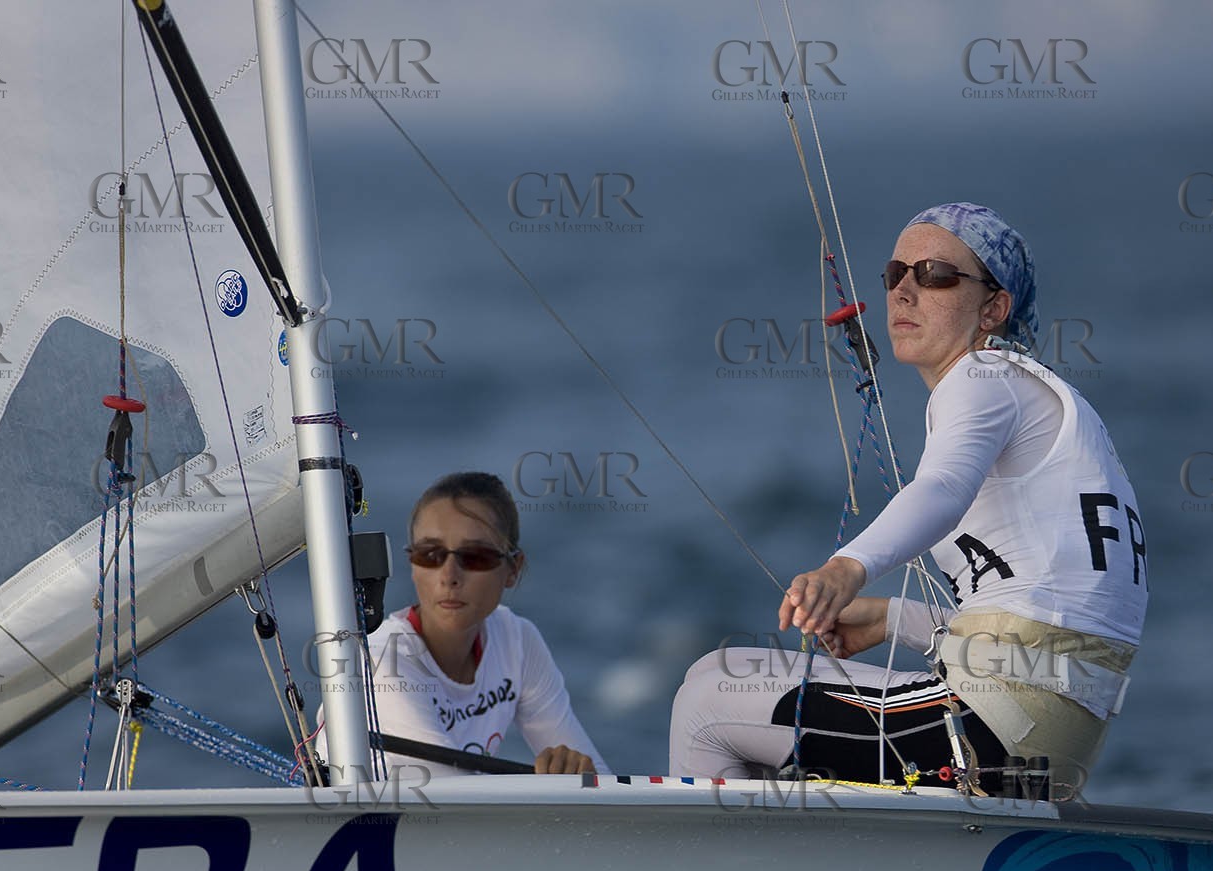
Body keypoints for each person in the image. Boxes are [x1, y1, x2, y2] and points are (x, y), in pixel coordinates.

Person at [670, 203, 1146, 793]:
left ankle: (729, 854)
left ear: (993, 309)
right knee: (717, 671)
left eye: (935, 275)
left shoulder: (983, 375)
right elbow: (1056, 633)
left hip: (1003, 726)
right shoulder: (1044, 403)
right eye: (895, 274)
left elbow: (942, 488)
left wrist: (847, 569)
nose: (904, 291)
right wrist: (892, 618)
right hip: (1044, 731)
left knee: (709, 702)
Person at [325, 471, 608, 777]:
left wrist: (578, 773)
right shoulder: (383, 662)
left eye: (475, 557)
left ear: (513, 569)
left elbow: (600, 783)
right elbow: (453, 796)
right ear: (412, 564)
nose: (449, 576)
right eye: (430, 555)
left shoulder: (517, 640)